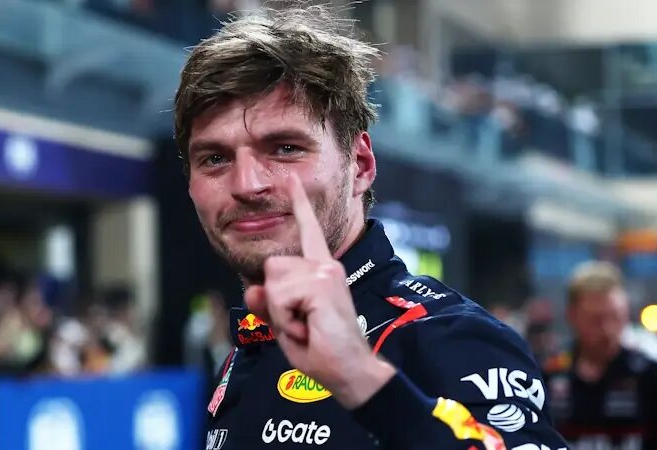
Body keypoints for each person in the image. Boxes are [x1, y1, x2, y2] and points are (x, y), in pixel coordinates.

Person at [173, 5, 567, 449]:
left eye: (285, 148)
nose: (247, 184)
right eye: (215, 158)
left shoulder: (448, 338)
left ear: (359, 165)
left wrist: (362, 380)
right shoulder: (249, 346)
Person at [543, 261, 657, 450]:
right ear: (572, 315)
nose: (607, 329)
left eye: (615, 316)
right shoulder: (547, 376)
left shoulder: (651, 375)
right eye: (596, 319)